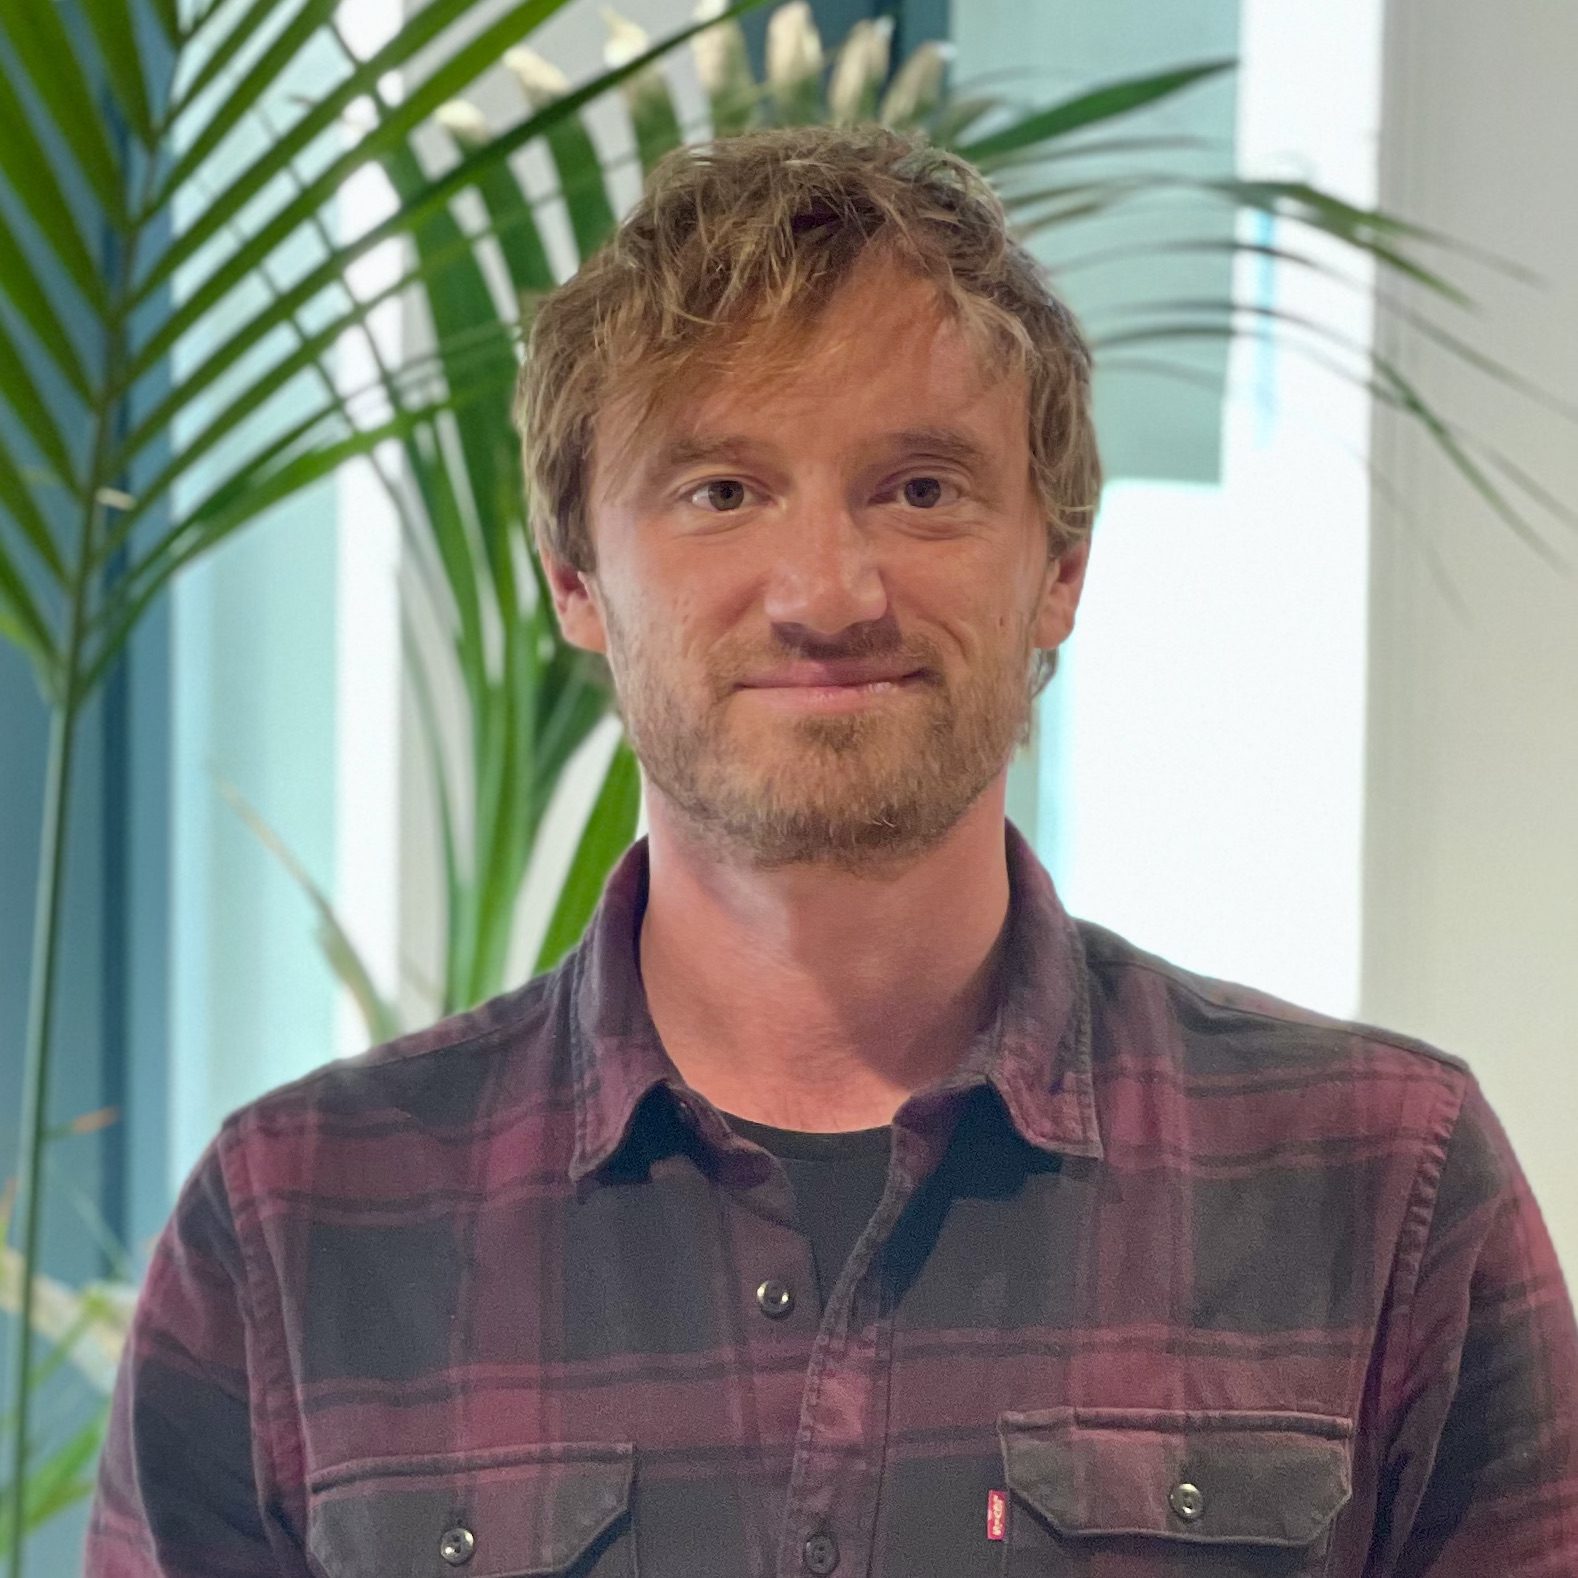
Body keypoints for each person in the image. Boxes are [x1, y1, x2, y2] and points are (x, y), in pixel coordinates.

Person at [87, 125, 1576, 1578]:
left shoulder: (1376, 1181)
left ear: (1058, 571)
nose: (825, 591)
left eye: (919, 487)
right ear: (575, 579)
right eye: (720, 491)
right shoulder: (298, 1224)